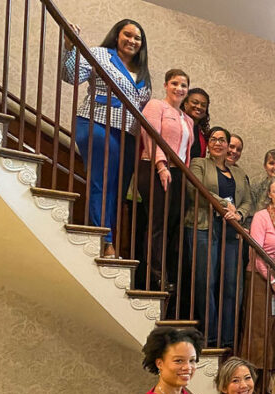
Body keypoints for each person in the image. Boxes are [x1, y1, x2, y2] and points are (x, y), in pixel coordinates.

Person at [62, 19, 153, 257]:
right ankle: (105, 241)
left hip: (128, 134)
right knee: (101, 182)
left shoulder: (142, 71)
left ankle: (108, 237)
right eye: (128, 35)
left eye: (137, 38)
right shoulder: (101, 54)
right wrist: (69, 46)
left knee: (118, 189)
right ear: (116, 35)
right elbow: (71, 76)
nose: (132, 41)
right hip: (98, 123)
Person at [185, 126, 251, 348]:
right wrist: (226, 206)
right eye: (213, 139)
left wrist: (239, 213)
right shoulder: (199, 163)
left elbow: (248, 201)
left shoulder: (239, 173)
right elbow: (196, 188)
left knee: (232, 286)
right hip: (205, 227)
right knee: (207, 281)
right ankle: (209, 336)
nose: (218, 143)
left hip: (232, 233)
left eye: (223, 140)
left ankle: (228, 339)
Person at [135, 68, 193, 292]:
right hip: (153, 166)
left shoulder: (187, 119)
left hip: (177, 172)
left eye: (183, 85)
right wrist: (161, 165)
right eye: (175, 84)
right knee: (157, 223)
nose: (179, 89)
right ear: (166, 85)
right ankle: (154, 276)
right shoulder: (156, 106)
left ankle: (165, 274)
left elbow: (185, 153)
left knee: (172, 225)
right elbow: (151, 135)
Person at [240, 176, 275, 372]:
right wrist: (272, 280)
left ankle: (271, 378)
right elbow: (256, 252)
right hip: (260, 278)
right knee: (259, 330)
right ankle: (253, 378)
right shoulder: (261, 216)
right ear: (270, 194)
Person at [181, 88, 210, 159]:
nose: (199, 107)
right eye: (195, 102)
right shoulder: (177, 123)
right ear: (186, 104)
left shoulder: (202, 134)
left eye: (203, 105)